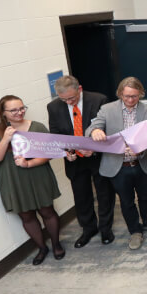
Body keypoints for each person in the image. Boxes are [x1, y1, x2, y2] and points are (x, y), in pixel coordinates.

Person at [89, 77, 147, 250]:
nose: (130, 100)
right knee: (126, 201)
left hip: (141, 164)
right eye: (126, 96)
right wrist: (95, 131)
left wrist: (141, 150)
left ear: (141, 93)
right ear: (120, 94)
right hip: (118, 167)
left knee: (145, 196)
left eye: (134, 96)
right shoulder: (107, 109)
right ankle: (135, 231)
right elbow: (92, 128)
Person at [0, 96, 63, 265]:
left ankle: (56, 244)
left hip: (38, 175)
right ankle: (42, 248)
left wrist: (29, 163)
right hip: (14, 181)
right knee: (27, 216)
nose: (19, 112)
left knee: (47, 211)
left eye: (22, 108)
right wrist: (5, 139)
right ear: (3, 113)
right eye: (13, 110)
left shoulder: (37, 127)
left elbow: (50, 152)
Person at [47, 75, 115, 248]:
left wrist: (93, 147)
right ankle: (88, 229)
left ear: (80, 89)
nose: (69, 102)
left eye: (71, 98)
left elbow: (108, 129)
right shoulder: (53, 107)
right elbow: (56, 134)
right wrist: (67, 151)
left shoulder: (99, 100)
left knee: (104, 194)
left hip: (97, 156)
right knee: (81, 196)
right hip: (74, 159)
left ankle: (106, 229)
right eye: (64, 99)